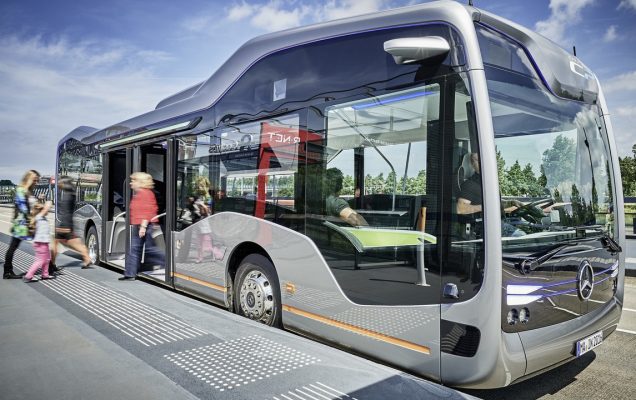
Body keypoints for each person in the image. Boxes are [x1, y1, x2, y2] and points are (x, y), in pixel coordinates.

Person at [456, 152, 525, 237]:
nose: (482, 163)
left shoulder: (487, 182)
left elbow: (493, 203)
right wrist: (485, 207)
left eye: (483, 159)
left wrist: (511, 202)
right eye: (478, 160)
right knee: (525, 238)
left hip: (500, 223)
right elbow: (460, 208)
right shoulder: (469, 184)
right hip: (485, 229)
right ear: (472, 164)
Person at [119, 172, 165, 281]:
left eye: (133, 180)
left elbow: (148, 210)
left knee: (150, 250)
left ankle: (167, 263)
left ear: (140, 182)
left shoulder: (145, 193)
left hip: (143, 225)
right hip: (138, 225)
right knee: (135, 249)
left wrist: (143, 227)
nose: (131, 183)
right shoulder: (140, 193)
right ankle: (130, 274)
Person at [3, 170, 40, 279]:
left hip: (25, 224)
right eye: (34, 180)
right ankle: (7, 271)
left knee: (41, 242)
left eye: (37, 181)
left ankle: (49, 266)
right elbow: (23, 208)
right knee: (13, 247)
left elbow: (31, 206)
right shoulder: (21, 190)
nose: (36, 183)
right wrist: (30, 221)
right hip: (21, 225)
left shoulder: (28, 191)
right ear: (28, 178)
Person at [50, 176, 91, 272]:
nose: (58, 184)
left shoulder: (66, 195)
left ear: (64, 183)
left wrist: (62, 226)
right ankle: (86, 257)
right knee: (72, 242)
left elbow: (65, 211)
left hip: (64, 224)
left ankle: (51, 264)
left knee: (57, 243)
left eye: (60, 182)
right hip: (68, 223)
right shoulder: (71, 193)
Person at [23, 201, 55, 282]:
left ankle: (45, 274)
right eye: (47, 210)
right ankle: (29, 275)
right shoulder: (39, 217)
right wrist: (48, 204)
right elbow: (45, 209)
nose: (48, 211)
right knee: (40, 260)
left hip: (44, 243)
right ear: (42, 210)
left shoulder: (43, 218)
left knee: (47, 259)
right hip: (40, 243)